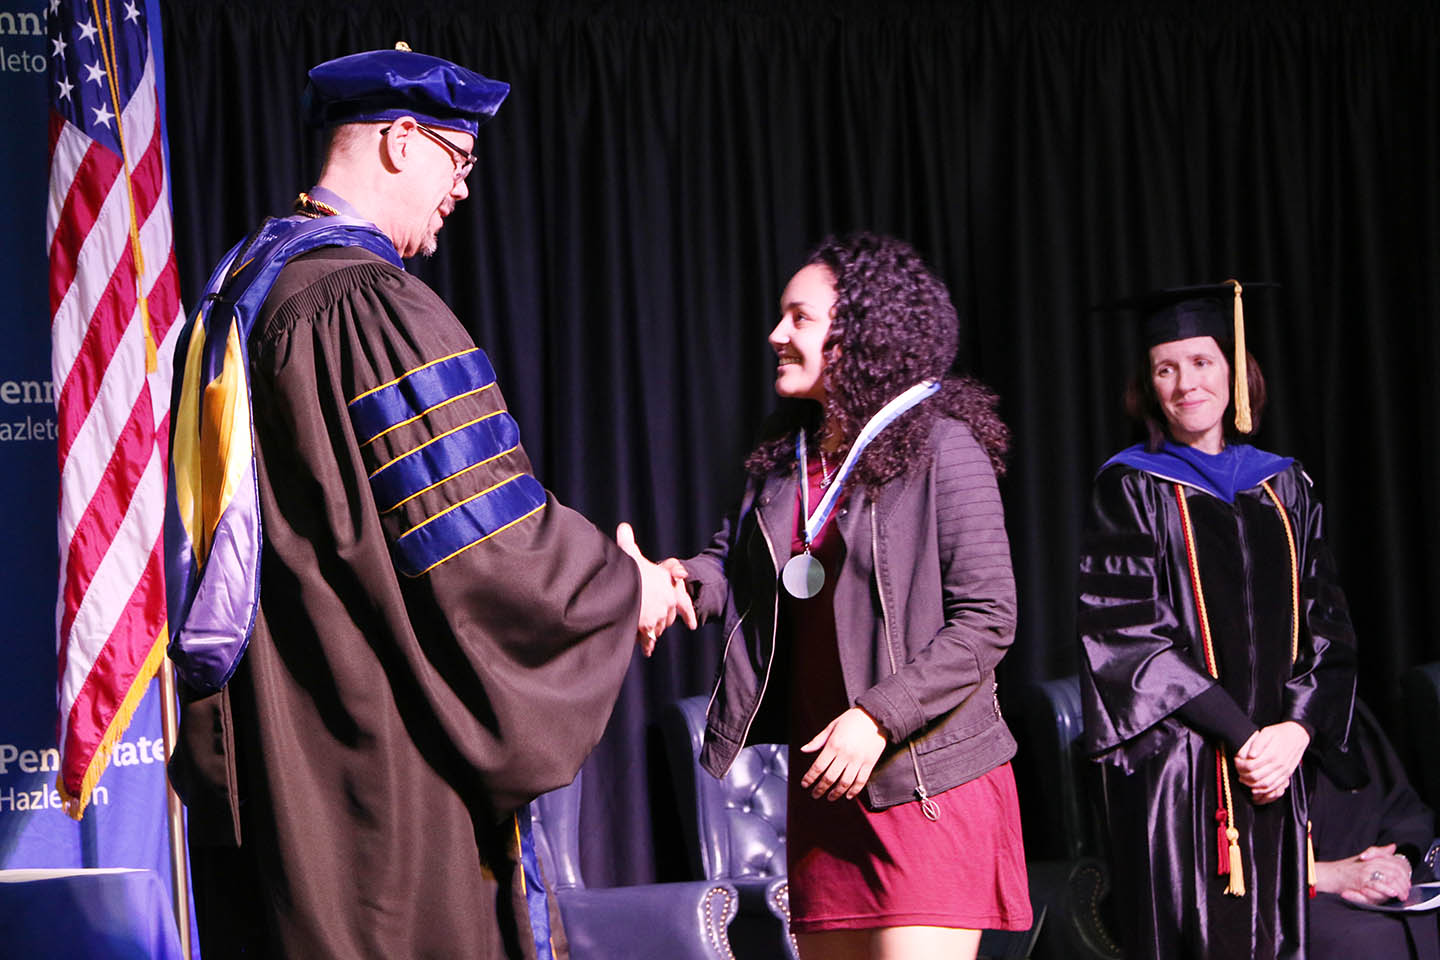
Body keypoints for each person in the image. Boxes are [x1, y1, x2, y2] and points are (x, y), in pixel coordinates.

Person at [163, 46, 688, 958]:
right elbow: (485, 546)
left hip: (274, 759)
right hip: (374, 781)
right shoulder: (363, 304)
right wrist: (619, 587)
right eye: (460, 157)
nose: (463, 189)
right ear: (402, 140)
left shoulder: (237, 296)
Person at [655, 233, 1032, 960]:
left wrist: (878, 717)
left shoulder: (943, 448)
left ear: (857, 332)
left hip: (923, 783)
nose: (776, 334)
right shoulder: (785, 460)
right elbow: (733, 568)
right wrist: (673, 584)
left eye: (799, 317)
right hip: (830, 789)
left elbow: (989, 620)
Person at [1077, 281, 1358, 959]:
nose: (1185, 384)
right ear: (1148, 386)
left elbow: (1327, 622)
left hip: (1275, 771)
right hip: (1181, 768)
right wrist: (1243, 737)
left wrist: (1295, 729)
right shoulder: (1130, 485)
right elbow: (1129, 635)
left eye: (1201, 362)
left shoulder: (1283, 482)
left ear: (1234, 369)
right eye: (1165, 369)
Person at [1310, 699, 1440, 960]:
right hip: (1293, 900)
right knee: (1369, 942)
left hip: (1387, 884)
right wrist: (1327, 876)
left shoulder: (1341, 709)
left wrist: (1400, 862)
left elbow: (1404, 810)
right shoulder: (1232, 730)